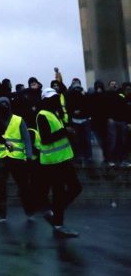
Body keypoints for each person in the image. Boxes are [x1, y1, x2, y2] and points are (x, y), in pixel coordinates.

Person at [37, 88, 81, 238]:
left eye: (55, 97)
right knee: (60, 191)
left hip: (63, 158)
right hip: (53, 161)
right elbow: (46, 139)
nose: (54, 100)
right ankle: (58, 223)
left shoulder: (54, 113)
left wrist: (68, 132)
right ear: (45, 100)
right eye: (51, 98)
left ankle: (56, 213)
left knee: (75, 188)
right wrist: (65, 132)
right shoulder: (42, 115)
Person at [0, 96, 34, 222]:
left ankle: (29, 210)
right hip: (0, 158)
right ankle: (0, 214)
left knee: (24, 186)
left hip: (17, 158)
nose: (4, 105)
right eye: (1, 103)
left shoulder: (18, 120)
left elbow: (26, 138)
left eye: (6, 103)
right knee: (0, 187)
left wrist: (29, 155)